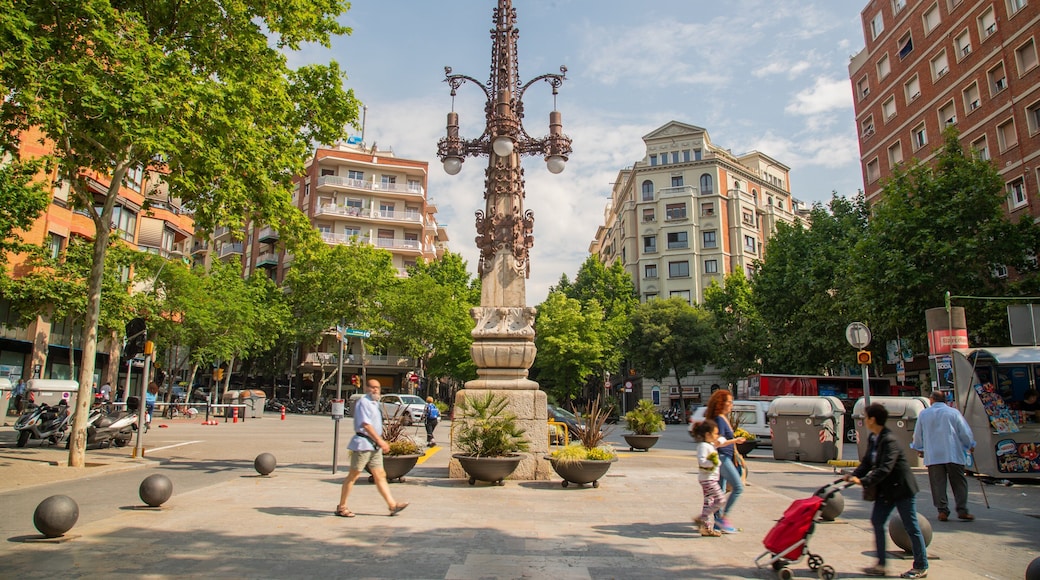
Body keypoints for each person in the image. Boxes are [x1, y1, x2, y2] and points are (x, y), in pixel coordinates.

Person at [845, 403, 928, 579]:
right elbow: (867, 462)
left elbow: (885, 468)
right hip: (886, 490)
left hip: (902, 488)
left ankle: (921, 565)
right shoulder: (874, 438)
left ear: (872, 419)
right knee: (877, 521)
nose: (864, 420)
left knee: (911, 526)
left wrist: (864, 481)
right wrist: (853, 475)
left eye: (866, 417)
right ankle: (881, 565)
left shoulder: (889, 440)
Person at [336, 379, 408, 518]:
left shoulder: (375, 403)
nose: (375, 390)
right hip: (363, 444)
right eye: (372, 387)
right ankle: (342, 506)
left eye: (378, 387)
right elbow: (366, 425)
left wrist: (379, 442)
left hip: (373, 446)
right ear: (366, 388)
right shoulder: (363, 402)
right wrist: (380, 441)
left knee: (380, 475)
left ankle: (392, 505)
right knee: (353, 475)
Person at [911, 390, 976, 522]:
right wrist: (970, 444)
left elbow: (918, 434)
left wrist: (919, 448)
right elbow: (964, 431)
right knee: (959, 483)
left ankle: (942, 511)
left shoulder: (924, 414)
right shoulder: (954, 413)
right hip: (953, 453)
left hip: (934, 455)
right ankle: (962, 509)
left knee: (937, 483)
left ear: (932, 400)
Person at [704, 389, 746, 534]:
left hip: (726, 457)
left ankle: (717, 523)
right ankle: (723, 519)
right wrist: (736, 440)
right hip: (722, 458)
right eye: (729, 401)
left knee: (720, 492)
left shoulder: (722, 418)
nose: (731, 404)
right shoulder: (719, 420)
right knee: (738, 487)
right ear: (721, 403)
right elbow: (718, 441)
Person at [692, 419, 729, 537]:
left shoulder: (710, 444)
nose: (716, 436)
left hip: (710, 478)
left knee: (709, 502)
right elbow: (702, 461)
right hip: (708, 479)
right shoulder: (703, 446)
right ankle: (702, 518)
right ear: (707, 434)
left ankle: (707, 528)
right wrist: (714, 462)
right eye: (715, 433)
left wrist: (720, 439)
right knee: (721, 499)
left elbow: (722, 440)